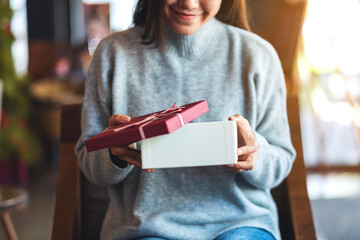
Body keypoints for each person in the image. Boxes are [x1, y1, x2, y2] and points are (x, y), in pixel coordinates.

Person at [75, 0, 296, 239]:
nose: (189, 3)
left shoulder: (257, 55)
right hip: (145, 229)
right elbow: (89, 160)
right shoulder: (113, 54)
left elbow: (281, 158)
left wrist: (255, 154)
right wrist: (112, 153)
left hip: (241, 224)